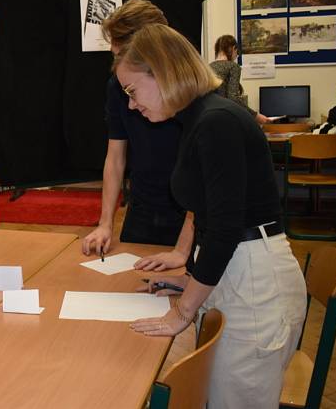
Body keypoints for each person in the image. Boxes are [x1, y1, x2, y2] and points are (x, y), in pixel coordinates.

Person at [123, 24, 307, 409]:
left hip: (254, 284)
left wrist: (183, 311)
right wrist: (187, 278)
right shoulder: (199, 118)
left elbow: (225, 228)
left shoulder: (216, 121)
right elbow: (208, 212)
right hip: (239, 272)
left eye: (132, 90)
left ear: (162, 72)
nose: (131, 104)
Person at [81, 0, 194, 271]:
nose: (112, 54)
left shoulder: (189, 87)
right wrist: (105, 223)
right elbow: (115, 157)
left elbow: (204, 178)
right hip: (143, 206)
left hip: (190, 213)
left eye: (119, 51)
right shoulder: (116, 87)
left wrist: (183, 246)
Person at [209, 34, 269, 124]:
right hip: (225, 117)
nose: (236, 56)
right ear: (233, 49)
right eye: (237, 52)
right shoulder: (233, 66)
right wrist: (256, 116)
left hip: (208, 118)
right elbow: (233, 98)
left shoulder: (207, 67)